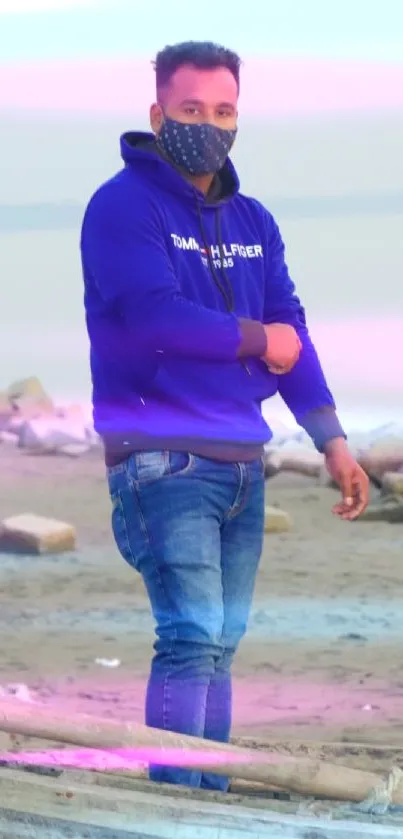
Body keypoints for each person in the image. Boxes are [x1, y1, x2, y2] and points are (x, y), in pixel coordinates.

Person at [80, 40, 369, 791]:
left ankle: (207, 793)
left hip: (244, 461)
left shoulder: (253, 219)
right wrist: (255, 341)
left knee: (219, 641)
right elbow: (153, 320)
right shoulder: (121, 207)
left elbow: (292, 330)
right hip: (160, 458)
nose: (206, 125)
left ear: (237, 117)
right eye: (189, 110)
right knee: (190, 635)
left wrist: (332, 439)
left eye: (222, 110)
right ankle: (176, 800)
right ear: (156, 115)